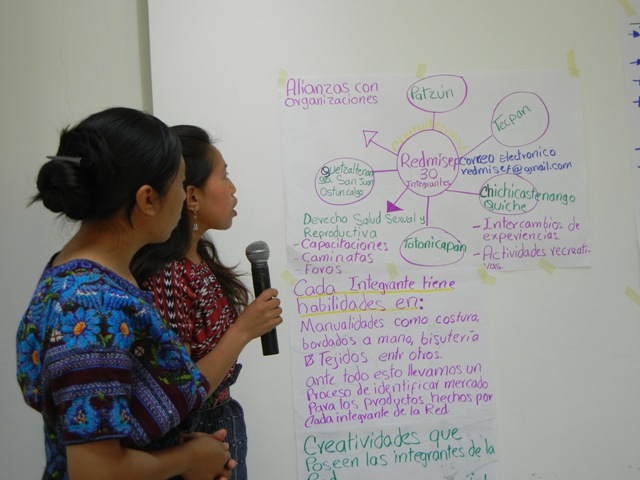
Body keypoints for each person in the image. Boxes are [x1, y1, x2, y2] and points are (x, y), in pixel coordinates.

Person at [16, 107, 236, 480]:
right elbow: (95, 470)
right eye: (180, 186)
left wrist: (185, 445)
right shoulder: (92, 303)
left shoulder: (94, 277)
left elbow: (120, 422)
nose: (184, 201)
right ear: (148, 199)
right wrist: (187, 460)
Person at [131, 125, 283, 480]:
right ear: (192, 196)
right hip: (193, 434)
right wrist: (244, 330)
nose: (232, 189)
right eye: (224, 176)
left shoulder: (199, 259)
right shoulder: (168, 275)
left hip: (220, 422)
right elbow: (177, 389)